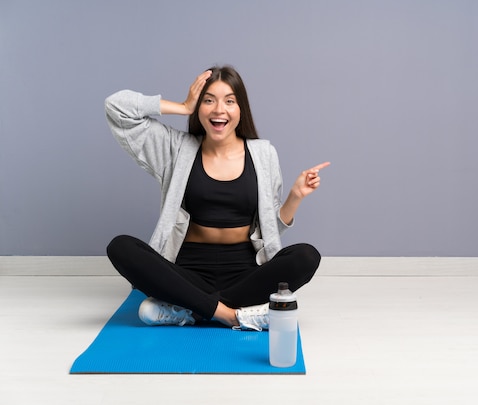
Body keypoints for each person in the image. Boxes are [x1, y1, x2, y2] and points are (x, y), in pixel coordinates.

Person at [105, 66, 329, 331]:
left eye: (229, 101)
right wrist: (182, 106)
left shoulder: (263, 154)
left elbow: (269, 228)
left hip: (245, 274)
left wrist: (295, 197)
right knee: (120, 247)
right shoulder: (176, 148)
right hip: (188, 272)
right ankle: (232, 315)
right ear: (199, 108)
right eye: (208, 100)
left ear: (240, 109)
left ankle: (192, 309)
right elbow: (116, 107)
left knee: (306, 255)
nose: (218, 109)